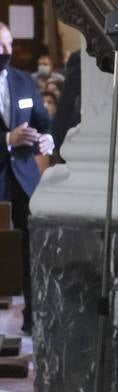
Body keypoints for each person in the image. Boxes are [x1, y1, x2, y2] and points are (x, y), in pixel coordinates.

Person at [0, 23, 54, 335]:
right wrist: (8, 137)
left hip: (24, 180)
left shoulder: (23, 81)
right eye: (0, 46)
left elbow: (43, 121)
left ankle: (32, 319)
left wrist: (48, 140)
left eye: (9, 45)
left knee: (29, 250)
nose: (6, 52)